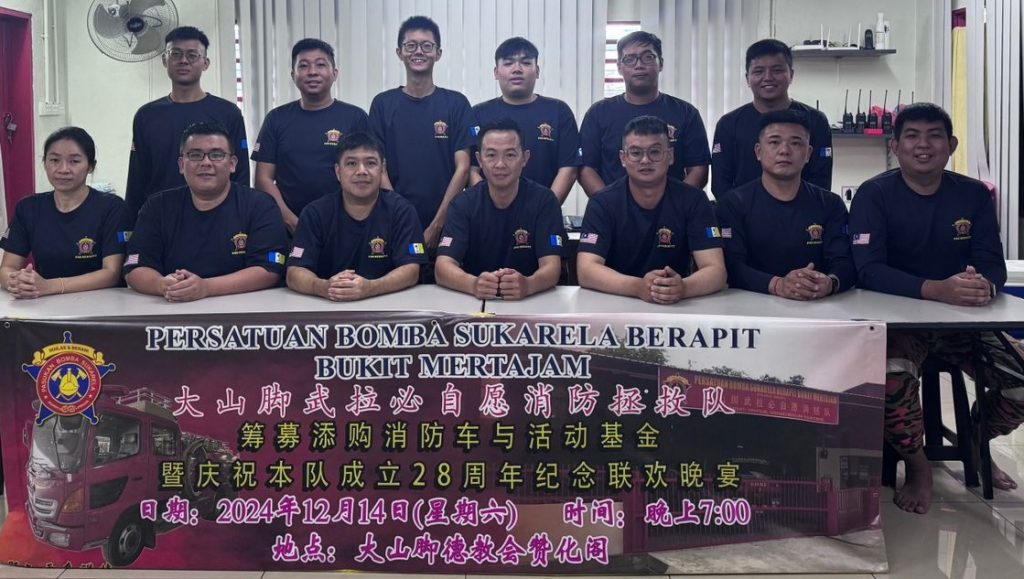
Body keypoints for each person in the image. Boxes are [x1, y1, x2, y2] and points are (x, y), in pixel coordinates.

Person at [849, 102, 1024, 513]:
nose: (923, 145)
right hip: (900, 326)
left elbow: (992, 263)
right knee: (889, 379)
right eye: (912, 136)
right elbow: (867, 270)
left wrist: (983, 285)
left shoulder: (973, 195)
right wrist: (935, 290)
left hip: (964, 324)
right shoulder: (874, 194)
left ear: (952, 145)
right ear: (895, 146)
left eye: (934, 136)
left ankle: (975, 441)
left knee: (1021, 380)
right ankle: (918, 464)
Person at [124, 122, 287, 301]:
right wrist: (164, 285)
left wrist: (206, 288)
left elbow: (269, 269)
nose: (206, 163)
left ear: (232, 164)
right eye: (195, 155)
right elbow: (135, 267)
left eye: (216, 155)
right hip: (173, 306)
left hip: (242, 309)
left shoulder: (260, 205)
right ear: (181, 164)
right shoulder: (157, 207)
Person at [577, 115, 726, 303]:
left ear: (670, 156)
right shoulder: (602, 202)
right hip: (616, 299)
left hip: (675, 303)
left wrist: (683, 288)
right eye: (636, 153)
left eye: (655, 152)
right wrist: (637, 287)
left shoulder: (694, 200)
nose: (645, 160)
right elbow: (586, 270)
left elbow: (716, 271)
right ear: (623, 158)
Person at [716, 110, 854, 298]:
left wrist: (830, 283)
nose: (784, 151)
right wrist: (777, 285)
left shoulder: (831, 205)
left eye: (795, 143)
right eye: (774, 142)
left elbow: (844, 263)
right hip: (751, 306)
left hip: (816, 303)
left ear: (808, 154)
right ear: (758, 151)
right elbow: (732, 267)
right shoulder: (732, 204)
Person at [368, 15, 475, 249]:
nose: (419, 51)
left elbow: (463, 167)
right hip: (393, 221)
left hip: (448, 221)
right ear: (399, 52)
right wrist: (402, 218)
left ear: (438, 53)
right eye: (411, 45)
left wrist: (437, 225)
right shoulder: (382, 104)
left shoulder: (456, 104)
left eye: (427, 45)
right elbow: (377, 165)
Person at [125, 26, 249, 222]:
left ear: (205, 63)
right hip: (160, 217)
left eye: (192, 55)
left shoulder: (228, 113)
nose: (183, 60)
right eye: (175, 54)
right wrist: (131, 226)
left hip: (217, 216)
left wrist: (239, 217)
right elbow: (137, 177)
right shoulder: (146, 115)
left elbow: (240, 173)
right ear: (164, 60)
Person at [287, 132, 426, 301]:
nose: (361, 171)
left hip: (386, 306)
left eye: (370, 163)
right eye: (351, 163)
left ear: (382, 168)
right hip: (328, 306)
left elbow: (411, 270)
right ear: (338, 171)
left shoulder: (402, 211)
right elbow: (294, 272)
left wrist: (372, 288)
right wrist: (324, 287)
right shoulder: (315, 213)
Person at [436, 120, 565, 299]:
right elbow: (442, 267)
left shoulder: (545, 201)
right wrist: (473, 284)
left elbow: (552, 267)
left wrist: (529, 285)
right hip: (475, 303)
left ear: (525, 158)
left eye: (510, 155)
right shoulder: (462, 204)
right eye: (491, 155)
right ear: (479, 160)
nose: (500, 164)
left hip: (532, 301)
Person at [252, 38, 369, 232]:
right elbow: (263, 179)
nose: (312, 72)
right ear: (293, 75)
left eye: (321, 65)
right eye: (304, 66)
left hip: (345, 227)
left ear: (334, 73)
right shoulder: (276, 119)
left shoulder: (355, 117)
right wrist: (291, 222)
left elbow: (367, 174)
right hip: (289, 228)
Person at [0, 127, 130, 298]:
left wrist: (52, 286)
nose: (63, 169)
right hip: (45, 303)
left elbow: (112, 273)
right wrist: (18, 282)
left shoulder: (112, 207)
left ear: (91, 166)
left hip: (101, 304)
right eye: (54, 160)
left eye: (74, 161)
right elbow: (7, 268)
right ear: (44, 163)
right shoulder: (28, 208)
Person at [578, 31, 710, 197]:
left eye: (648, 57)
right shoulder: (598, 114)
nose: (639, 65)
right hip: (614, 208)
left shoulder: (686, 113)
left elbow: (698, 169)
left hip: (675, 209)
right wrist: (610, 205)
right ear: (619, 67)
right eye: (630, 59)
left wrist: (675, 204)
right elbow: (586, 169)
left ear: (660, 63)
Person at [711, 39, 833, 197]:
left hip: (802, 210)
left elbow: (821, 181)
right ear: (747, 78)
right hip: (740, 210)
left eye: (777, 70)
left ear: (791, 75)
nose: (768, 77)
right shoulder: (728, 124)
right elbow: (720, 184)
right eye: (758, 71)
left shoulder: (815, 121)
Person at [470, 37, 581, 204]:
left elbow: (568, 169)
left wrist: (546, 209)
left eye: (526, 63)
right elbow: (472, 169)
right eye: (508, 63)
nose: (517, 69)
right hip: (489, 212)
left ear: (537, 71)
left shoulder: (558, 112)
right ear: (496, 72)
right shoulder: (478, 114)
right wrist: (491, 207)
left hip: (543, 212)